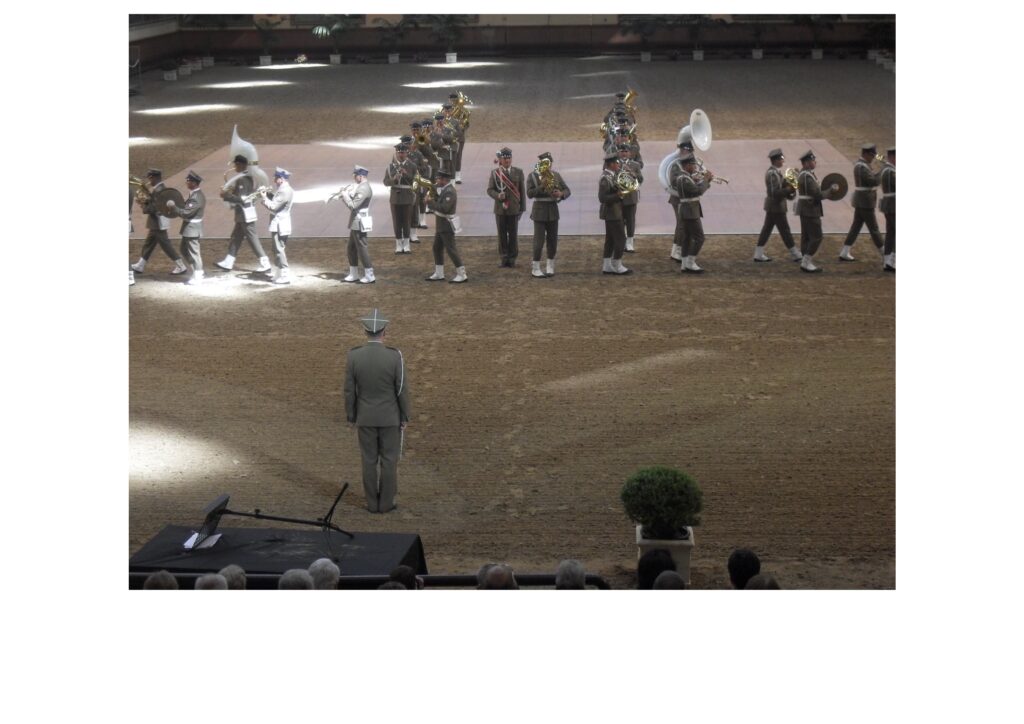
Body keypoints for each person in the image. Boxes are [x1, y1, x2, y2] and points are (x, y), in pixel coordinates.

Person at [344, 309, 411, 513]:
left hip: (365, 417)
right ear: (384, 332)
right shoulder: (394, 356)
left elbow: (349, 390)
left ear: (365, 332)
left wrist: (352, 415)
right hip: (390, 417)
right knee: (389, 461)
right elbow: (401, 389)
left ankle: (371, 503)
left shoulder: (354, 356)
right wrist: (404, 415)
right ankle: (386, 503)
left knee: (369, 461)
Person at [216, 155, 272, 273]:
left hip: (245, 213)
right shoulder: (247, 177)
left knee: (252, 238)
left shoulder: (242, 179)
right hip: (244, 213)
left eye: (236, 164)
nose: (235, 167)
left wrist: (225, 195)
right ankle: (229, 261)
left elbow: (242, 199)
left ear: (241, 165)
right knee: (236, 237)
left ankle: (265, 262)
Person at [131, 168, 188, 275]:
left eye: (150, 178)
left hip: (158, 222)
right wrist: (146, 200)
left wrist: (143, 205)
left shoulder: (159, 190)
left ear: (155, 177)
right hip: (156, 222)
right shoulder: (159, 188)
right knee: (149, 244)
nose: (149, 181)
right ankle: (140, 265)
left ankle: (181, 265)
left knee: (166, 245)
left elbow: (154, 208)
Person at [526, 152, 571, 278]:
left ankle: (550, 264)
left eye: (549, 163)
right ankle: (535, 267)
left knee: (552, 241)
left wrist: (561, 194)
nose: (548, 166)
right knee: (538, 241)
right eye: (545, 163)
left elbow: (567, 190)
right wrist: (541, 186)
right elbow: (529, 194)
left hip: (552, 210)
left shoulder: (556, 175)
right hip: (539, 210)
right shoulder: (533, 176)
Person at [753, 149, 802, 263]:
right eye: (781, 159)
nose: (783, 161)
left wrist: (790, 189)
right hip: (776, 206)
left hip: (774, 206)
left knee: (767, 229)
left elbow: (782, 189)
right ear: (775, 160)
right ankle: (795, 253)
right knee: (785, 230)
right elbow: (774, 192)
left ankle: (758, 253)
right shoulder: (772, 174)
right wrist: (789, 189)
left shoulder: (776, 173)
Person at [840, 143, 886, 262]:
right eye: (871, 155)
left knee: (856, 226)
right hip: (865, 202)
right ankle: (885, 254)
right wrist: (884, 170)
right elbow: (873, 181)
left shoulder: (863, 165)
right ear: (865, 154)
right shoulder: (861, 167)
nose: (872, 158)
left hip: (863, 201)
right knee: (874, 228)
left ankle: (845, 251)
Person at [795, 150, 838, 273]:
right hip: (810, 210)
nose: (815, 162)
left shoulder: (805, 174)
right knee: (817, 236)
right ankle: (806, 261)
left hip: (805, 209)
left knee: (806, 236)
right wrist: (831, 190)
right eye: (813, 161)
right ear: (807, 163)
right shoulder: (807, 177)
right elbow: (818, 195)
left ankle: (805, 260)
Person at [164, 170, 207, 285]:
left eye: (188, 181)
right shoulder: (193, 194)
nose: (187, 182)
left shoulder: (196, 197)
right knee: (184, 249)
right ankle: (196, 270)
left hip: (192, 228)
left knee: (194, 252)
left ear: (194, 182)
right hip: (189, 228)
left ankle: (198, 273)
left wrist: (173, 207)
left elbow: (186, 213)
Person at [486, 147, 526, 268]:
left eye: (509, 158)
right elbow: (489, 190)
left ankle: (512, 258)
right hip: (500, 209)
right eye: (505, 158)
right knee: (502, 234)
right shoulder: (495, 173)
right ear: (500, 159)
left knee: (513, 234)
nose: (507, 160)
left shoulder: (518, 172)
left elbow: (522, 191)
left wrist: (522, 208)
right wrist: (498, 195)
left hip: (513, 208)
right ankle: (504, 257)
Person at [425, 170, 467, 283]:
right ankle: (439, 273)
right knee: (437, 248)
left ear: (445, 180)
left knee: (451, 249)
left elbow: (444, 208)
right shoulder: (445, 190)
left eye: (439, 179)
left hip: (446, 225)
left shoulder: (450, 192)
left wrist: (430, 203)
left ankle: (462, 273)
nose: (437, 180)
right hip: (441, 225)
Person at [337, 164, 375, 284]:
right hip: (356, 221)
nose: (354, 177)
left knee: (362, 248)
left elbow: (353, 206)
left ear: (361, 176)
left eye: (356, 175)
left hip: (359, 221)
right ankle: (354, 273)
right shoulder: (361, 187)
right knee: (351, 248)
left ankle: (369, 274)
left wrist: (345, 196)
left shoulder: (364, 188)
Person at [676, 154, 713, 273]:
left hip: (687, 210)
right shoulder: (684, 178)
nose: (695, 167)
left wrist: (699, 181)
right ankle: (690, 263)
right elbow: (698, 191)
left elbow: (694, 189)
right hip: (690, 211)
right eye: (693, 165)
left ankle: (684, 263)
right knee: (699, 238)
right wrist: (706, 180)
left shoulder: (685, 177)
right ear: (687, 165)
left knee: (687, 238)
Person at [599, 152, 631, 275]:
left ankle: (607, 265)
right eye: (616, 163)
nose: (618, 165)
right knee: (620, 239)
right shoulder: (605, 178)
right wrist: (617, 195)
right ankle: (617, 264)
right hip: (612, 212)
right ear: (611, 164)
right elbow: (602, 198)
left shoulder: (612, 175)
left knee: (611, 239)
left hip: (615, 211)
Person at [263, 167, 295, 284]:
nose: (274, 180)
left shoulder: (284, 190)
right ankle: (279, 272)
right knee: (276, 249)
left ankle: (285, 273)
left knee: (279, 249)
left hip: (280, 224)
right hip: (281, 223)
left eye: (276, 178)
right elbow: (277, 200)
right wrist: (268, 194)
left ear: (281, 179)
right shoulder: (284, 189)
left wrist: (263, 198)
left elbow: (274, 207)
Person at [384, 143, 417, 254]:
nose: (401, 154)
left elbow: (416, 181)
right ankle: (398, 244)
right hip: (395, 198)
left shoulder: (412, 166)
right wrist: (394, 179)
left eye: (403, 152)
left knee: (407, 221)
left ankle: (407, 245)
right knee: (397, 222)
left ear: (407, 153)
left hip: (407, 196)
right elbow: (385, 182)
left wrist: (406, 174)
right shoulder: (390, 167)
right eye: (399, 152)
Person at [666, 140, 694, 262]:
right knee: (681, 224)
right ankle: (676, 250)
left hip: (687, 198)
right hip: (677, 198)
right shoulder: (676, 165)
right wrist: (690, 179)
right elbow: (673, 181)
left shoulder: (691, 163)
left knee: (684, 225)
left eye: (688, 151)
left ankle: (678, 249)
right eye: (685, 150)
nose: (686, 152)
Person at [618, 142, 644, 253]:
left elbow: (641, 180)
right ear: (619, 152)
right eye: (622, 151)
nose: (624, 153)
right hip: (618, 197)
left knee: (630, 220)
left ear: (630, 153)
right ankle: (620, 241)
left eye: (626, 151)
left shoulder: (635, 165)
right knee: (619, 221)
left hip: (631, 196)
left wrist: (634, 174)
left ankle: (629, 242)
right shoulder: (614, 164)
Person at [880, 147, 895, 272]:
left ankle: (887, 260)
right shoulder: (891, 171)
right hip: (894, 205)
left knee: (890, 233)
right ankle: (893, 261)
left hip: (888, 205)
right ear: (892, 157)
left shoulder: (886, 169)